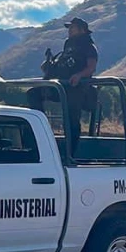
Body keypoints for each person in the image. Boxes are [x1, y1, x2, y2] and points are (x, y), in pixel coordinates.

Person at [42, 17, 98, 155]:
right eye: (69, 28)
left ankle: (71, 153)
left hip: (78, 88)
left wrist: (79, 75)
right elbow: (64, 64)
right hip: (62, 85)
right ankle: (41, 129)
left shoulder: (89, 47)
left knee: (72, 118)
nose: (70, 30)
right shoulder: (68, 45)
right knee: (34, 93)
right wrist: (49, 68)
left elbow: (91, 67)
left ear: (82, 30)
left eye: (73, 28)